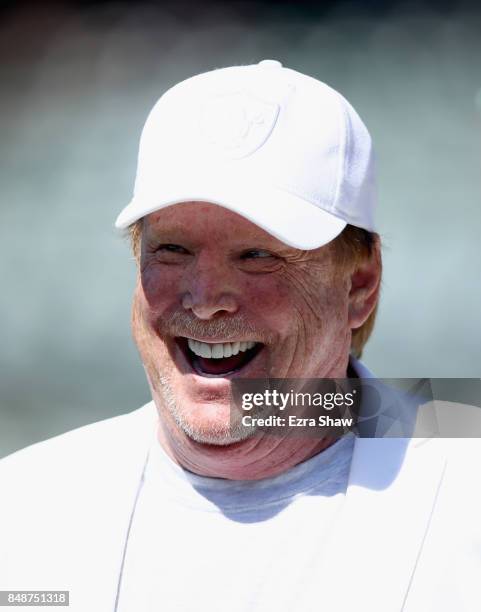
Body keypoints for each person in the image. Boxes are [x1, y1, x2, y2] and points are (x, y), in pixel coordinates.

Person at [1, 60, 480, 612]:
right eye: (172, 250)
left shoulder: (467, 496)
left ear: (360, 286)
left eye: (258, 256)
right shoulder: (22, 506)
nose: (205, 300)